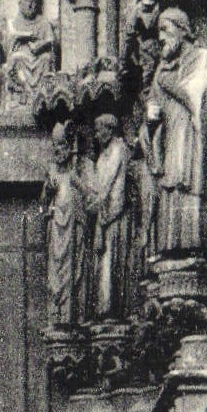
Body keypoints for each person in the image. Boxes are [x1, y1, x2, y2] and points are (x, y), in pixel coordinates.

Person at [144, 7, 207, 257]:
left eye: (165, 30)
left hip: (190, 137)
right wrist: (151, 113)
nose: (160, 38)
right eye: (158, 32)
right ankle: (170, 247)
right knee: (170, 184)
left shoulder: (203, 58)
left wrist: (164, 80)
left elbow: (192, 93)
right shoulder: (164, 67)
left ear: (182, 30)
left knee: (186, 183)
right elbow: (154, 99)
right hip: (170, 136)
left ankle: (191, 245)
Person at [41, 123, 89, 326]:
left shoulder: (74, 174)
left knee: (70, 268)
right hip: (56, 228)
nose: (58, 150)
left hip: (71, 227)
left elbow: (87, 194)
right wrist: (48, 192)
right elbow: (43, 203)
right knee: (56, 269)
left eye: (62, 146)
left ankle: (70, 315)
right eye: (55, 146)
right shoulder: (52, 174)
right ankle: (57, 313)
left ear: (70, 149)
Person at [89, 114, 133, 320]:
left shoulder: (118, 149)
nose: (96, 135)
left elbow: (107, 184)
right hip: (104, 214)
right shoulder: (103, 154)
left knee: (111, 261)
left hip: (114, 214)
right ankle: (103, 308)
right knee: (103, 263)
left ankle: (112, 309)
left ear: (110, 129)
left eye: (99, 130)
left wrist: (97, 206)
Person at [4, 0, 57, 105]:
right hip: (22, 55)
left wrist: (41, 45)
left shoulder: (43, 22)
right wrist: (19, 37)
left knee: (46, 58)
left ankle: (42, 92)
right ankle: (24, 90)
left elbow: (51, 41)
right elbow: (7, 46)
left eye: (34, 2)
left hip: (38, 56)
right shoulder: (14, 23)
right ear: (20, 2)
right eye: (28, 1)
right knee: (16, 58)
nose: (31, 5)